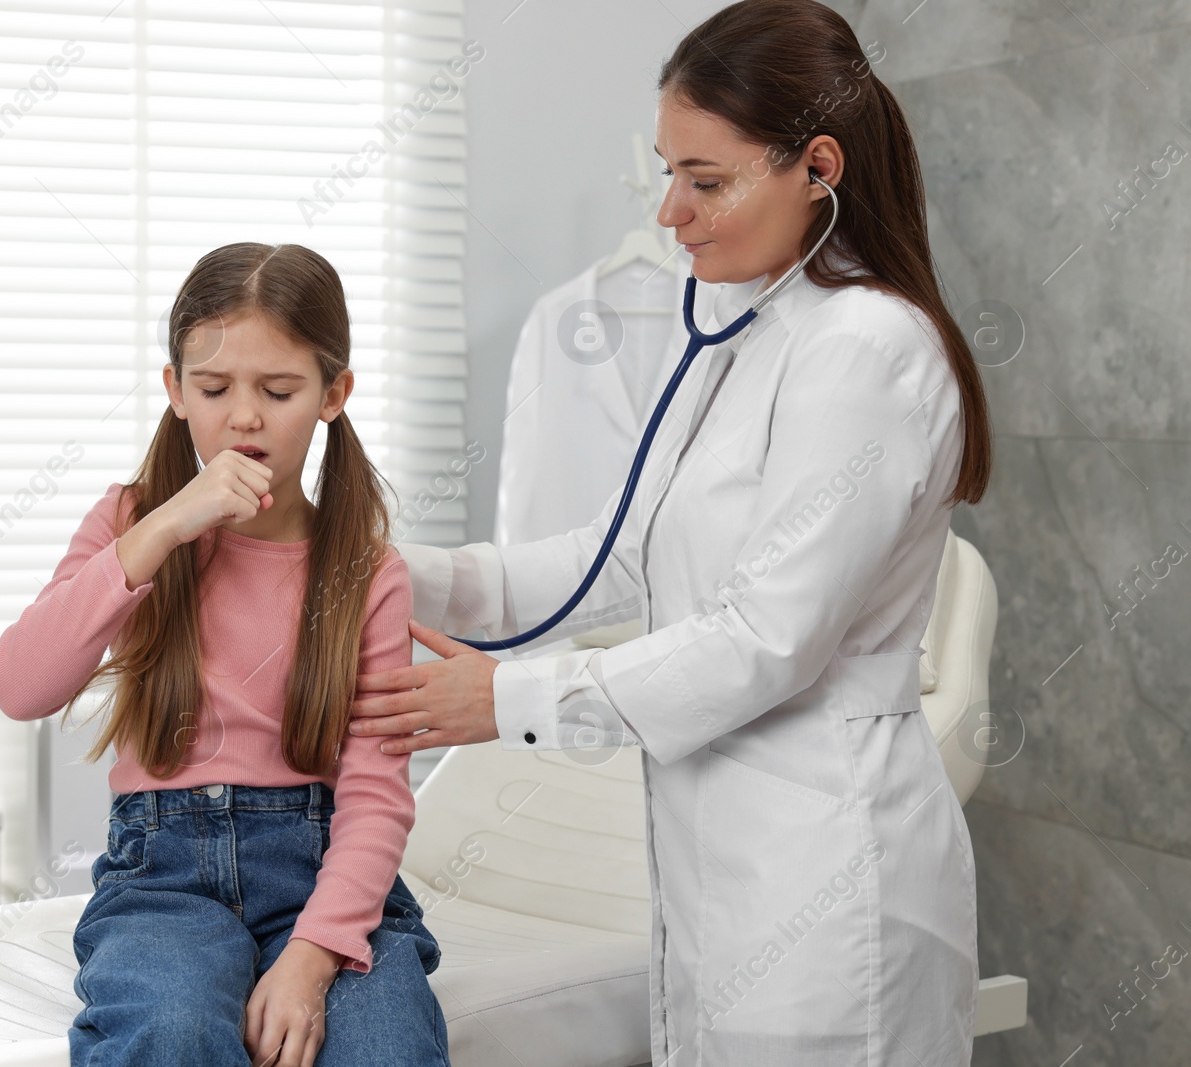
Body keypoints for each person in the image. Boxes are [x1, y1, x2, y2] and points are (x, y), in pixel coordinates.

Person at [347, 2, 993, 1065]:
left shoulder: (867, 350)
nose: (671, 212)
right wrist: (377, 574)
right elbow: (609, 556)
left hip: (827, 879)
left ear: (817, 168)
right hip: (722, 871)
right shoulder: (751, 331)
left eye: (705, 179)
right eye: (667, 173)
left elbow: (763, 640)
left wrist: (502, 699)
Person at [0, 242, 450, 1067]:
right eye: (213, 389)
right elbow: (21, 684)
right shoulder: (129, 523)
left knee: (388, 1050)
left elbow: (377, 798)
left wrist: (311, 957)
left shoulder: (368, 569)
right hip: (162, 877)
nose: (244, 416)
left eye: (278, 391)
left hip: (321, 874)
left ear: (333, 394)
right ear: (174, 392)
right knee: (170, 1033)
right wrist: (164, 527)